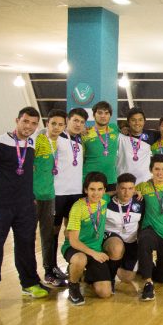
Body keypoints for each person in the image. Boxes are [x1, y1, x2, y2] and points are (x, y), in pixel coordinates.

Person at [0, 106, 48, 308]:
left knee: (26, 247)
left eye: (34, 123)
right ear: (17, 120)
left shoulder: (32, 144)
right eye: (26, 121)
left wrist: (30, 196)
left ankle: (30, 283)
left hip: (25, 207)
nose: (29, 126)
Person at [62, 172, 112, 305]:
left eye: (100, 189)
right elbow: (73, 241)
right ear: (85, 190)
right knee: (80, 259)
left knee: (105, 293)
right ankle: (73, 285)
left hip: (94, 250)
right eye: (92, 189)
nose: (96, 193)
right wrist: (94, 254)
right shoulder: (78, 208)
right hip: (75, 248)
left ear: (104, 190)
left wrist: (137, 191)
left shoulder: (104, 200)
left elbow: (118, 193)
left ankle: (84, 274)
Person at [136, 154, 163, 301]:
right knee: (144, 240)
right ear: (151, 170)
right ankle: (148, 283)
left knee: (162, 278)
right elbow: (126, 191)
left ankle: (145, 265)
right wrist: (135, 192)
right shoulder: (143, 186)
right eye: (157, 169)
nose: (160, 172)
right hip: (151, 230)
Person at [51, 107, 88, 283]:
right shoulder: (56, 138)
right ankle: (49, 268)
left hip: (75, 194)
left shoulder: (80, 141)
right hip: (57, 193)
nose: (78, 124)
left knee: (72, 232)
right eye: (75, 120)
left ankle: (71, 265)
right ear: (68, 121)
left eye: (81, 122)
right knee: (52, 232)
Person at [34, 109, 67, 288]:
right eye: (53, 123)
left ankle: (50, 270)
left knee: (48, 235)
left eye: (60, 124)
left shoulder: (61, 142)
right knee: (26, 238)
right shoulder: (38, 140)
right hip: (32, 197)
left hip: (50, 196)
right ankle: (30, 276)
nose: (56, 127)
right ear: (47, 124)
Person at [103, 173, 144, 290]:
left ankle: (113, 265)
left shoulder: (140, 202)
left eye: (130, 189)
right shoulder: (107, 201)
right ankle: (110, 277)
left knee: (127, 278)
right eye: (123, 188)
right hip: (111, 239)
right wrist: (113, 193)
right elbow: (97, 195)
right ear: (117, 188)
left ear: (134, 189)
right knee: (116, 247)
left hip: (130, 242)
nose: (126, 192)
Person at [82, 101, 121, 191]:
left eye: (106, 113)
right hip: (90, 180)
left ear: (110, 116)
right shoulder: (85, 133)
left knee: (108, 205)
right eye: (100, 113)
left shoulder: (114, 128)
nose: (103, 116)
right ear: (94, 115)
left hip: (110, 179)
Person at [117, 107, 159, 183]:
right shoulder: (121, 136)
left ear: (144, 121)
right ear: (128, 122)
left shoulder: (151, 135)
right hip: (124, 182)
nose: (137, 123)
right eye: (133, 120)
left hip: (144, 182)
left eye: (140, 120)